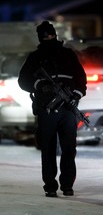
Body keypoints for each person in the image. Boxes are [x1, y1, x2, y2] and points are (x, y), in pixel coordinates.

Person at [18, 21, 87, 197]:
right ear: (41, 37)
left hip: (68, 109)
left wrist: (76, 95)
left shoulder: (68, 54)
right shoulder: (35, 57)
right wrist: (40, 85)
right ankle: (50, 185)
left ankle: (67, 185)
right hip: (46, 109)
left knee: (69, 148)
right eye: (46, 35)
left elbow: (81, 79)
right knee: (47, 148)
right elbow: (23, 80)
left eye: (51, 35)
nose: (50, 38)